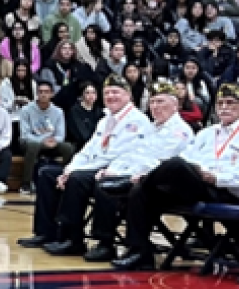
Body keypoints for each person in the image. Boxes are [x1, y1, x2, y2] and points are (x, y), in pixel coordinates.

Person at [115, 84, 239, 270]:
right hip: (195, 185)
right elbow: (187, 158)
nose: (224, 108)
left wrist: (216, 178)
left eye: (230, 103)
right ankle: (140, 252)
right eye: (220, 103)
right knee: (140, 192)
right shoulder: (207, 132)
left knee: (174, 165)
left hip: (226, 190)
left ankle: (139, 180)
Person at [20, 75, 151, 254]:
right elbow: (87, 150)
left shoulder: (137, 121)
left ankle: (74, 239)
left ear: (128, 95)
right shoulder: (105, 120)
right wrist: (69, 168)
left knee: (77, 179)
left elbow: (119, 155)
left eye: (116, 92)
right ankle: (47, 232)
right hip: (94, 168)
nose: (111, 96)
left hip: (116, 171)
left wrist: (77, 171)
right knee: (47, 174)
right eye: (107, 93)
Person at [81, 80, 195, 262]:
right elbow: (132, 154)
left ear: (175, 105)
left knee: (122, 190)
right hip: (138, 176)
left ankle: (122, 246)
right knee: (106, 184)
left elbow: (158, 162)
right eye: (152, 102)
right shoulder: (152, 128)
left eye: (161, 102)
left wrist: (129, 174)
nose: (155, 107)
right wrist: (114, 170)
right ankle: (109, 243)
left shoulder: (180, 131)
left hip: (163, 185)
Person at [17, 81, 76, 194]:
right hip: (31, 142)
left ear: (52, 94)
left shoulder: (58, 111)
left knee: (68, 147)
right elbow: (25, 134)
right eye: (41, 92)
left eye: (46, 92)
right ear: (37, 94)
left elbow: (60, 135)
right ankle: (26, 183)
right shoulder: (26, 110)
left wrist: (54, 141)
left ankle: (65, 179)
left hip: (51, 143)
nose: (43, 94)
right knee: (33, 145)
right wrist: (42, 141)